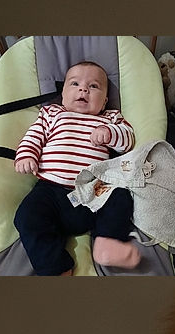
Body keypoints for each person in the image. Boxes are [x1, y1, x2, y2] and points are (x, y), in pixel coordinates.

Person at [13, 61, 139, 274]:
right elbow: (33, 137)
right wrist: (26, 155)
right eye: (75, 84)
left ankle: (106, 244)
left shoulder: (110, 118)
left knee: (121, 196)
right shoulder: (52, 114)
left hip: (94, 191)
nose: (83, 89)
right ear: (63, 94)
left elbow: (129, 139)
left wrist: (109, 133)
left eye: (94, 86)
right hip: (51, 191)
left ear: (105, 100)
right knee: (27, 215)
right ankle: (55, 266)